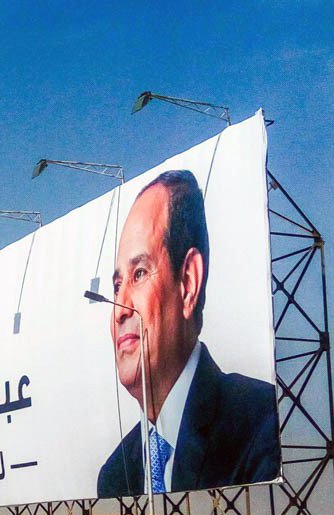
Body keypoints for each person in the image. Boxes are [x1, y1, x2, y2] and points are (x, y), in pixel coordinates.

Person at [96, 169, 280, 497]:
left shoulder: (260, 426)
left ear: (188, 283)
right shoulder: (116, 475)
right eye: (116, 284)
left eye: (139, 274)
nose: (120, 308)